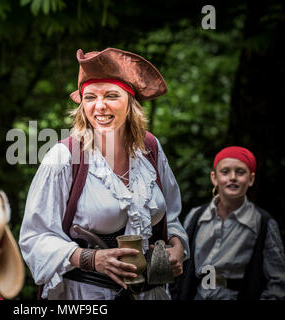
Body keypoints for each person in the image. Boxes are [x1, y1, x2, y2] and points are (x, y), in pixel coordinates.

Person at [19, 48, 190, 300]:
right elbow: (35, 237)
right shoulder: (64, 157)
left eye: (111, 95)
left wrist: (176, 244)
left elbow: (171, 214)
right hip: (88, 295)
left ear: (130, 102)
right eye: (90, 97)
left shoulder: (150, 149)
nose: (99, 106)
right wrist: (90, 258)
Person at [172, 146, 285, 300]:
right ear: (214, 178)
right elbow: (180, 268)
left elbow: (278, 281)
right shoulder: (196, 216)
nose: (232, 177)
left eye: (240, 172)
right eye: (225, 172)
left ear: (251, 179)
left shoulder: (263, 223)